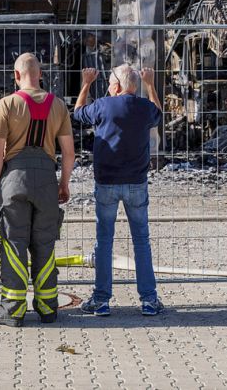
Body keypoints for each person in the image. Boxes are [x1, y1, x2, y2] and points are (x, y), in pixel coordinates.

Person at [0, 53, 75, 327]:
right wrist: (63, 183)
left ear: (16, 76)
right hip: (47, 181)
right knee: (45, 246)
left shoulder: (7, 104)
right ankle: (48, 308)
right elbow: (69, 153)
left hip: (14, 180)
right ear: (40, 74)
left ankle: (12, 312)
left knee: (14, 245)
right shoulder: (58, 105)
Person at [73, 64, 165, 317]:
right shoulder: (144, 108)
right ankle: (149, 299)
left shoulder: (103, 105)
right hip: (136, 182)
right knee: (141, 241)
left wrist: (86, 83)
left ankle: (101, 300)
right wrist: (150, 85)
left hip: (107, 182)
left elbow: (78, 112)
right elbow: (159, 113)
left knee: (104, 241)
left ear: (115, 86)